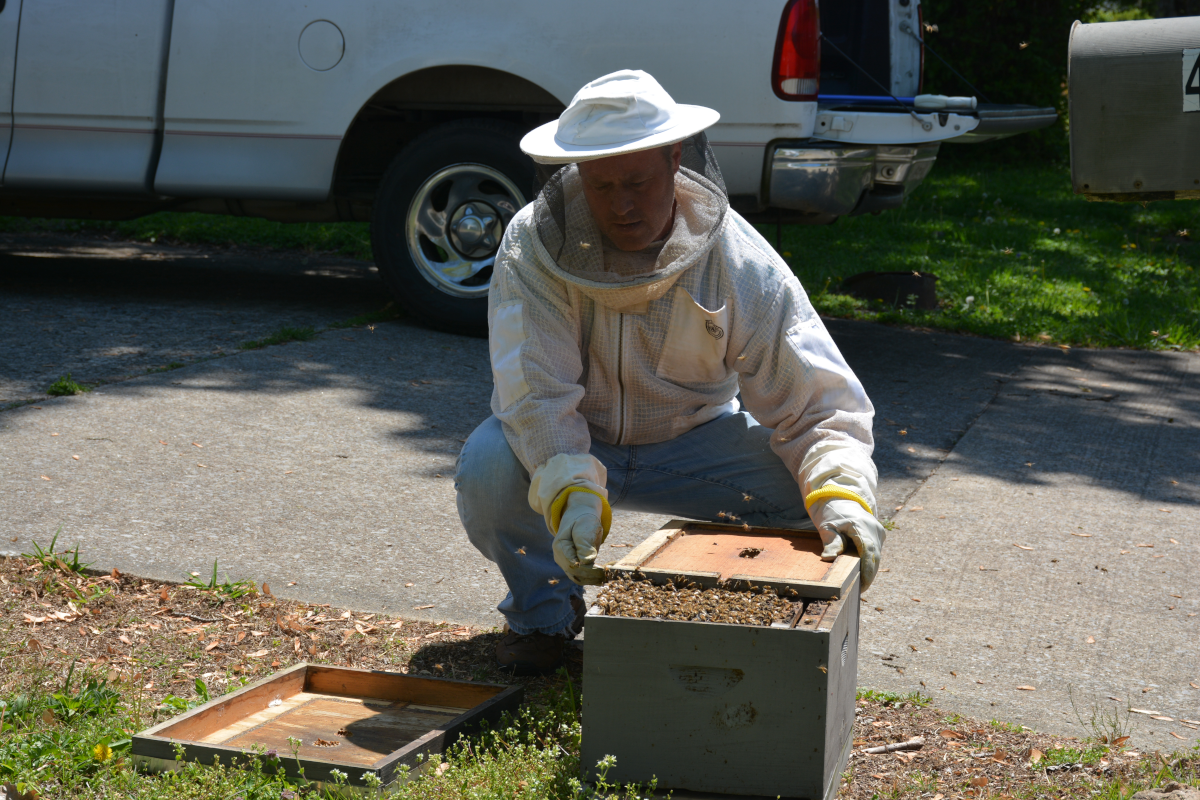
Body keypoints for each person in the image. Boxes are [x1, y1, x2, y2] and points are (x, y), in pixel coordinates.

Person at [456, 70, 884, 675]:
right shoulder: (535, 247)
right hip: (582, 439)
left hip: (698, 447)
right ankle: (544, 618)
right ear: (573, 175)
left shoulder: (738, 260)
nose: (621, 204)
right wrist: (572, 490)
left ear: (675, 160)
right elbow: (534, 395)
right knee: (490, 467)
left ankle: (757, 626)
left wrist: (841, 493)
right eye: (601, 186)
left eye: (637, 181)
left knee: (818, 496)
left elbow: (817, 405)